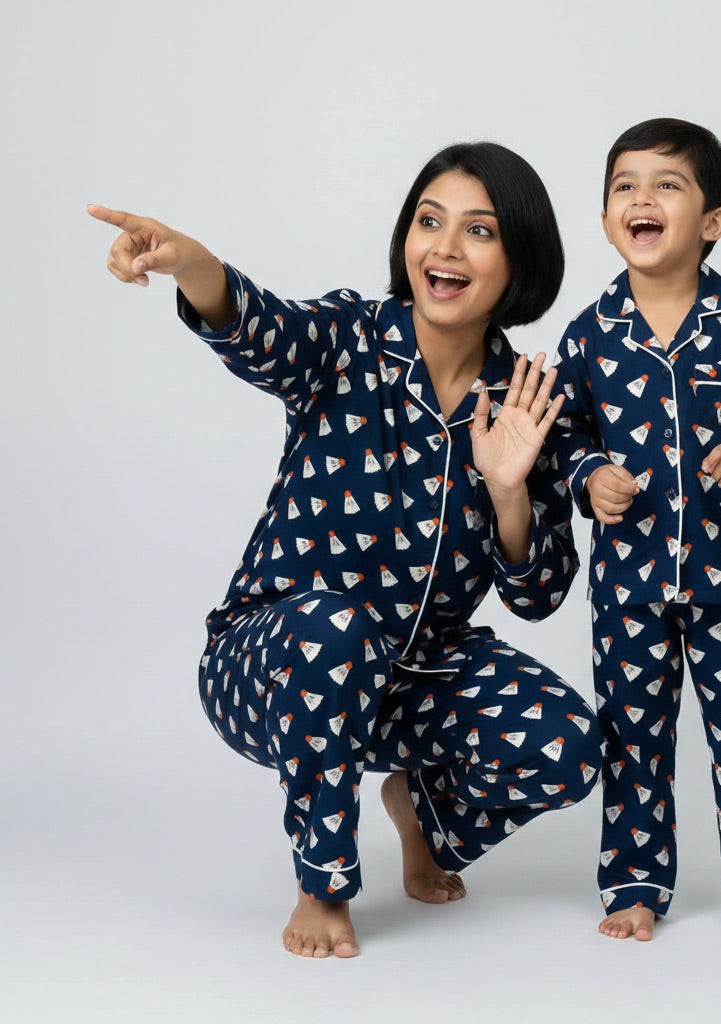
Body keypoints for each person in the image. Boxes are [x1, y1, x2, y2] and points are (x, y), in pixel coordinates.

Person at [87, 141, 600, 959]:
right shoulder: (350, 337)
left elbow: (539, 595)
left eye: (479, 231)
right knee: (335, 629)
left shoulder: (530, 400)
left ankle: (420, 816)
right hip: (276, 661)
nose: (445, 247)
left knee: (568, 742)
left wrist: (509, 488)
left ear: (520, 261)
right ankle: (322, 886)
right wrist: (192, 264)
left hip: (413, 677)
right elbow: (262, 329)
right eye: (430, 222)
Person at [549, 118, 721, 946]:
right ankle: (633, 885)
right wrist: (589, 474)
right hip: (627, 586)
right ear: (604, 220)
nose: (641, 198)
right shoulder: (589, 336)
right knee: (632, 739)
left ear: (712, 222)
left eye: (667, 184)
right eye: (625, 185)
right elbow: (561, 432)